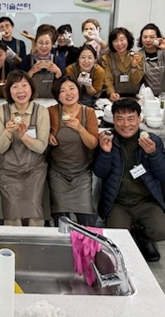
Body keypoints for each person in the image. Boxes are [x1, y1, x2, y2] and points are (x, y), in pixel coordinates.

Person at [93, 99, 165, 262]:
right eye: (120, 119)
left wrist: (153, 154)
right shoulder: (107, 139)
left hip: (146, 202)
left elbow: (164, 175)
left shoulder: (153, 141)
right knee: (117, 239)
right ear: (113, 120)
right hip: (117, 203)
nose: (125, 124)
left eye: (131, 118)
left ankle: (143, 237)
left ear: (139, 119)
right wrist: (105, 153)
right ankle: (129, 235)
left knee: (162, 231)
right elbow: (100, 173)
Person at [0, 71, 50, 226]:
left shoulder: (41, 111)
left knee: (34, 208)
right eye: (15, 87)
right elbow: (0, 148)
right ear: (9, 91)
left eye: (24, 85)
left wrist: (23, 136)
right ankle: (13, 241)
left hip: (34, 169)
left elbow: (41, 148)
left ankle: (36, 241)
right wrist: (8, 131)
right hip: (7, 171)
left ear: (31, 88)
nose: (20, 91)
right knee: (13, 212)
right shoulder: (1, 111)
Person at [47, 76, 99, 226]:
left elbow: (92, 144)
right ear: (57, 96)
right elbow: (39, 130)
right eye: (62, 90)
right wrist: (47, 135)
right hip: (58, 173)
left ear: (78, 90)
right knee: (61, 221)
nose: (68, 93)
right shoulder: (51, 112)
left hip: (81, 174)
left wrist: (80, 128)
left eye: (72, 88)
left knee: (87, 221)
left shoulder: (88, 112)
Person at [19, 25, 65, 98]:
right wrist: (31, 72)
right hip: (31, 99)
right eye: (40, 42)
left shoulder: (58, 61)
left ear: (52, 45)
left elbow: (64, 86)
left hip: (53, 100)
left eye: (47, 43)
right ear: (35, 43)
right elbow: (19, 83)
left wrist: (58, 72)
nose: (43, 46)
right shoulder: (27, 60)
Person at [137, 23, 165, 96]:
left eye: (152, 37)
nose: (148, 40)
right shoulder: (138, 55)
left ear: (158, 38)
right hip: (151, 97)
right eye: (145, 37)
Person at [101, 27, 144, 102]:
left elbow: (136, 81)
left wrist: (133, 66)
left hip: (134, 97)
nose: (119, 44)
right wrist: (111, 93)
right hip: (116, 97)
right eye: (115, 41)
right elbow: (107, 79)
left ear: (128, 40)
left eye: (122, 40)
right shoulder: (106, 58)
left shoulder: (137, 56)